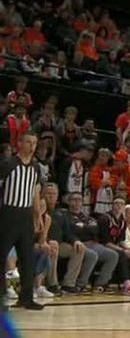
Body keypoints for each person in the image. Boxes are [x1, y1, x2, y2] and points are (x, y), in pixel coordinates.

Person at [0, 129, 44, 311]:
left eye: (34, 143)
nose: (32, 147)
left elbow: (35, 192)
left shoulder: (35, 167)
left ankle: (26, 298)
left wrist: (37, 215)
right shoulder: (8, 164)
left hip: (26, 215)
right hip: (8, 214)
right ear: (20, 143)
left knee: (27, 258)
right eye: (28, 142)